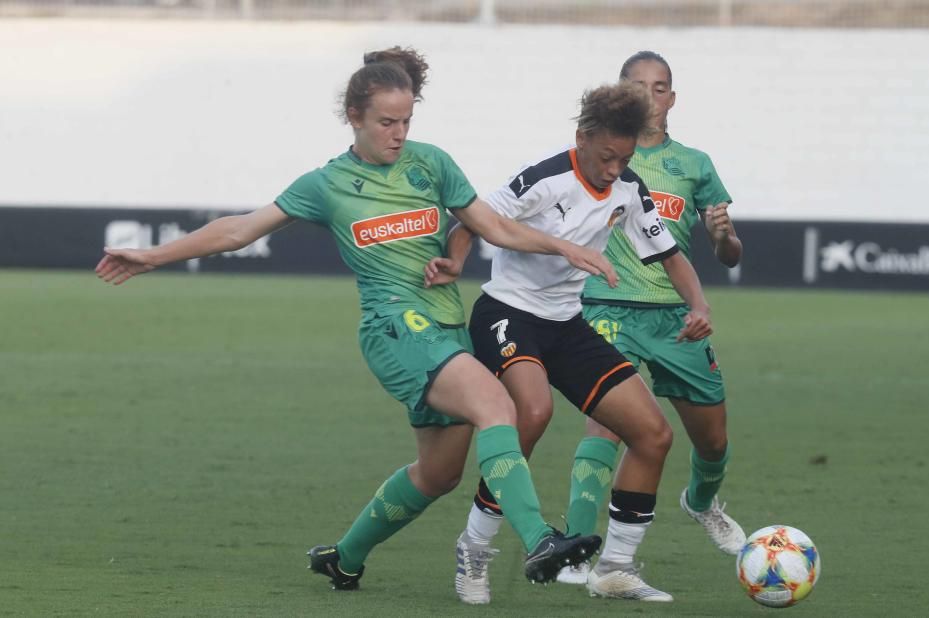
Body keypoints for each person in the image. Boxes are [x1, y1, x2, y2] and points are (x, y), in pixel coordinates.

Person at [94, 47, 609, 591]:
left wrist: (562, 247)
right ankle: (540, 542)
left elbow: (495, 227)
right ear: (354, 118)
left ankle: (344, 557)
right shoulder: (327, 184)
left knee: (438, 475)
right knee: (496, 405)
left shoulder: (431, 162)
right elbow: (238, 230)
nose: (399, 133)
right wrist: (153, 256)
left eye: (407, 121)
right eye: (387, 122)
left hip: (446, 327)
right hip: (393, 328)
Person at [424, 81, 713, 604]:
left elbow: (669, 254)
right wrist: (457, 259)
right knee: (530, 414)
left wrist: (699, 305)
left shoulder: (628, 187)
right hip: (507, 313)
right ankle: (475, 546)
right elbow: (473, 216)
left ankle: (616, 569)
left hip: (566, 324)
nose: (613, 169)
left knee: (653, 434)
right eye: (606, 157)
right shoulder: (544, 177)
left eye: (624, 159)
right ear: (582, 137)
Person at [554, 50, 747, 588]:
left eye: (660, 87)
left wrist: (722, 235)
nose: (649, 96)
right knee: (607, 425)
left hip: (676, 319)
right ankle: (574, 546)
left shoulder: (695, 165)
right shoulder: (602, 156)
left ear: (672, 97)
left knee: (712, 440)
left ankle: (702, 503)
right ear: (621, 92)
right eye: (638, 86)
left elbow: (730, 255)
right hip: (606, 307)